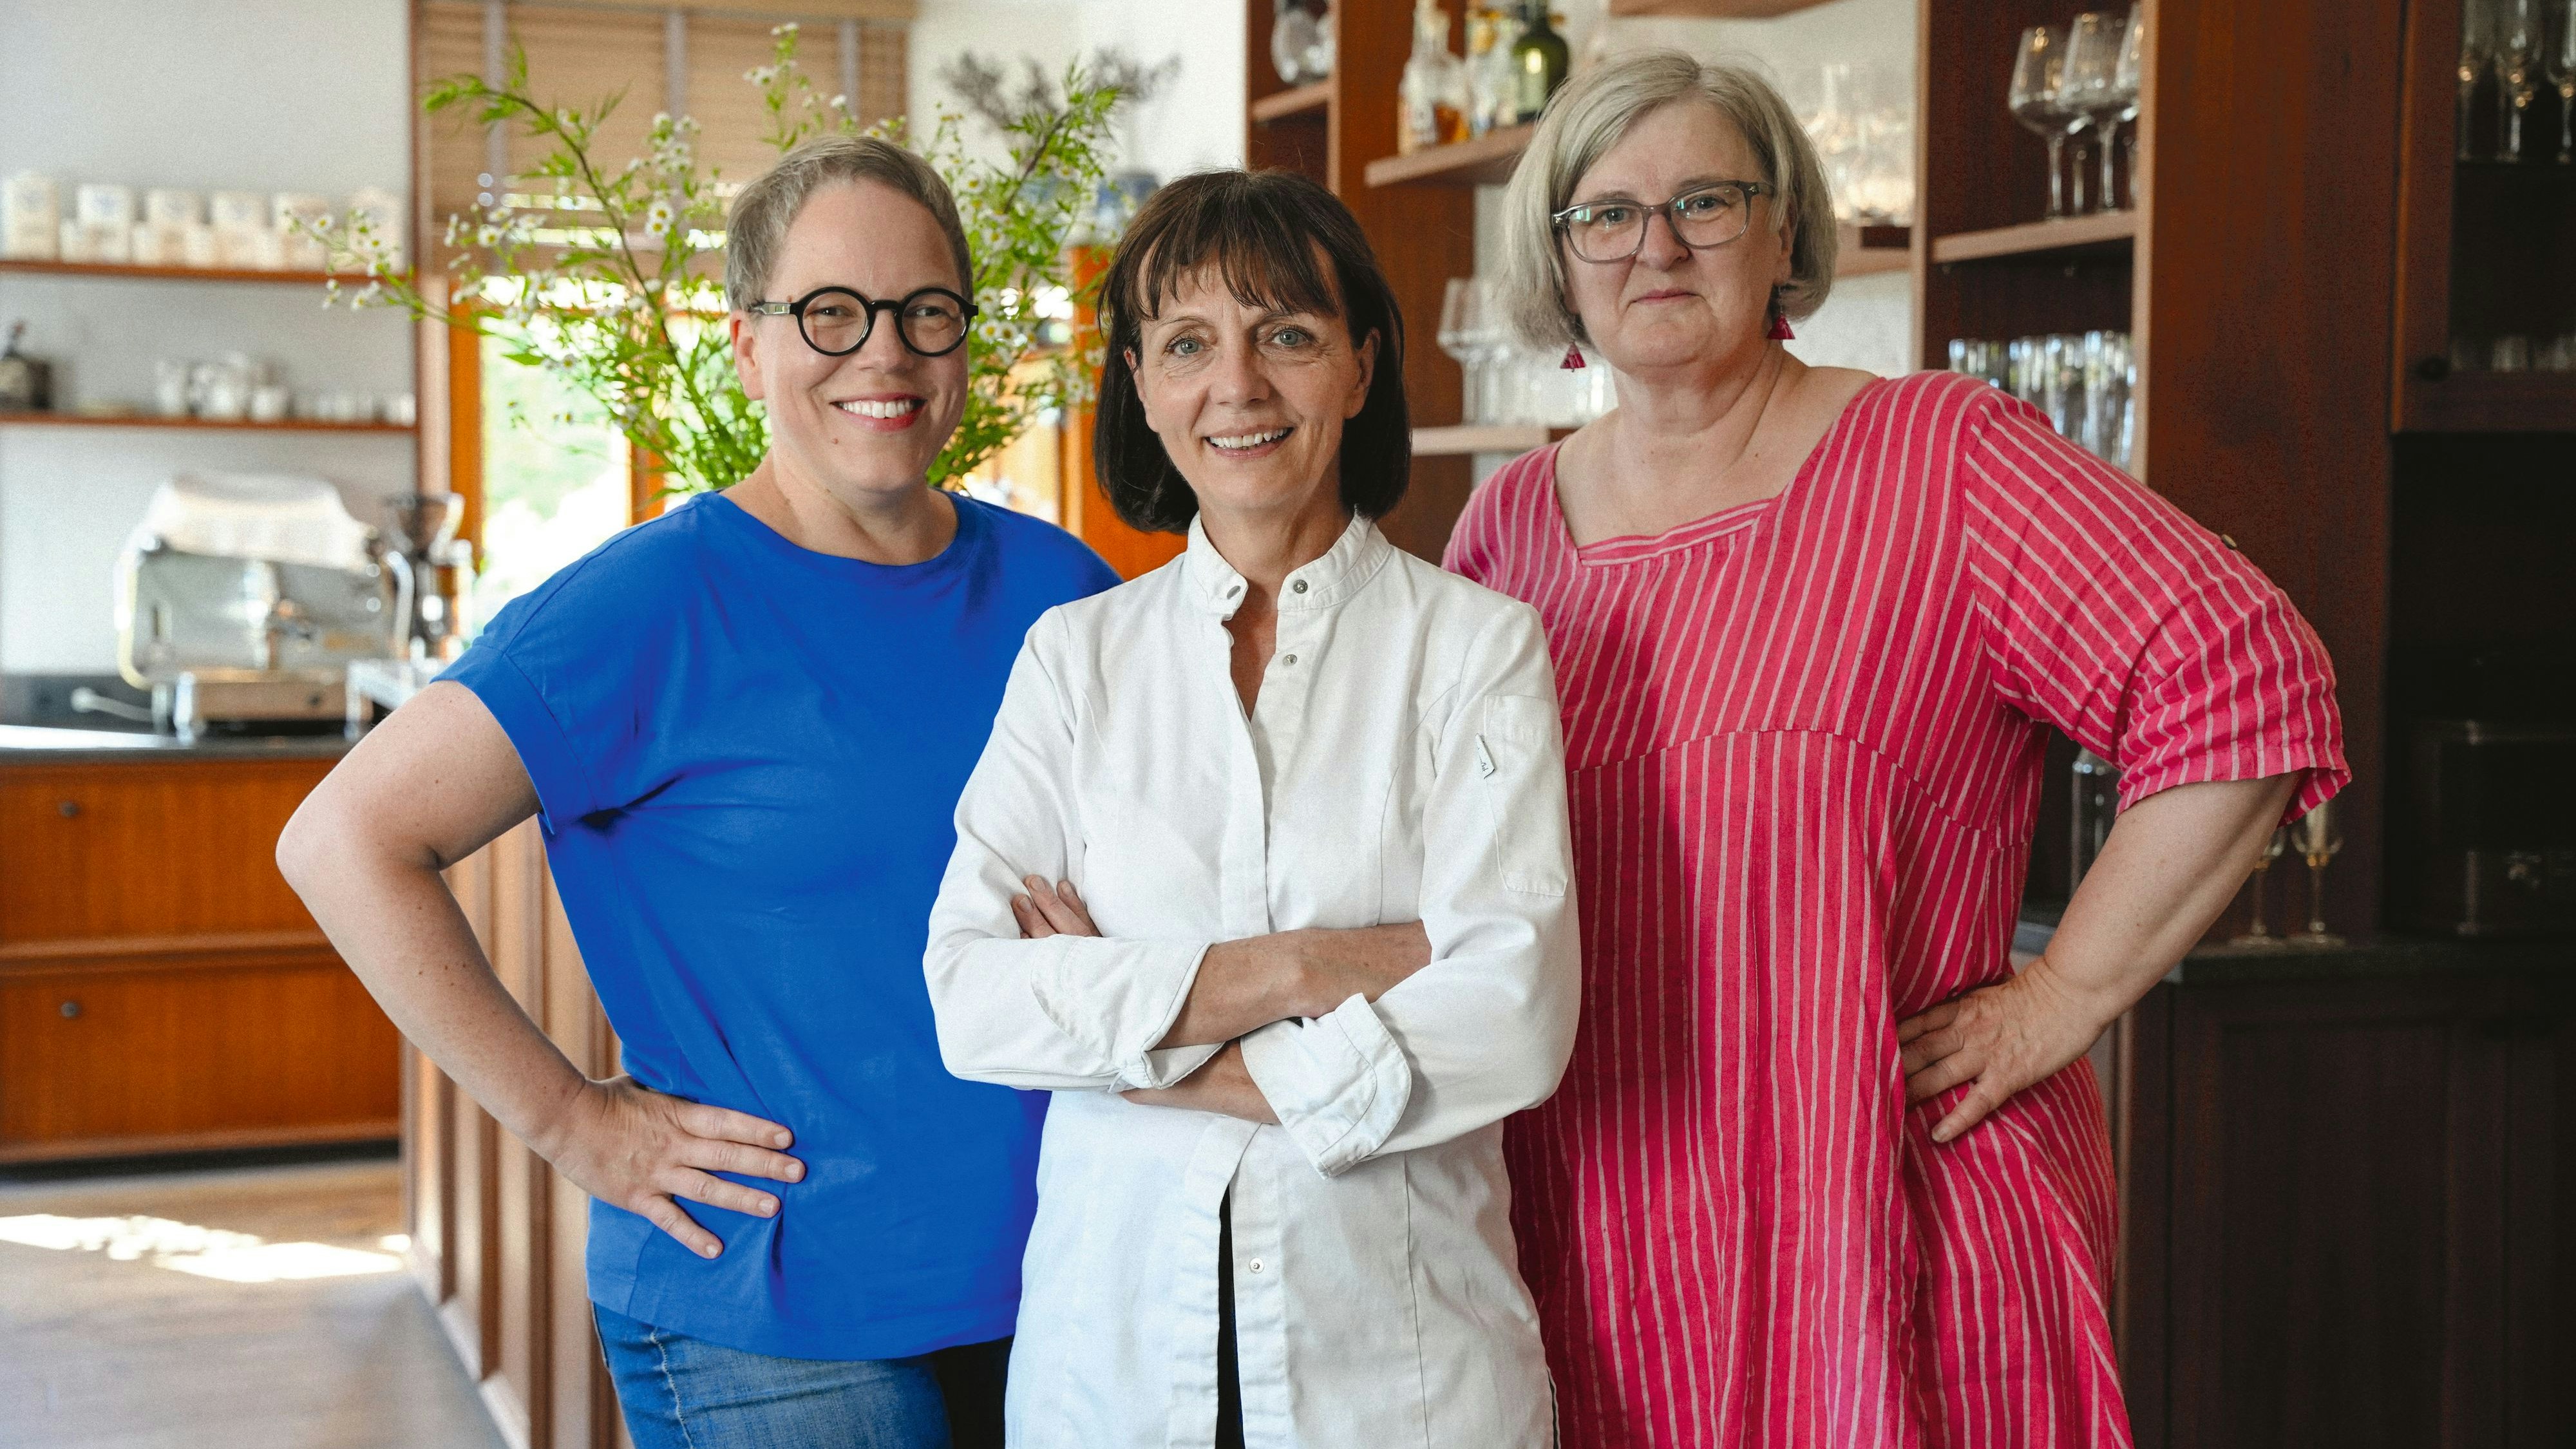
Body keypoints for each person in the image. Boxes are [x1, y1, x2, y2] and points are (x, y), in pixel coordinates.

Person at [1445, 51, 2349, 1447]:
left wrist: (2065, 995)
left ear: (1785, 232)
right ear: (1559, 266)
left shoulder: (1944, 464)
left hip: (1886, 1227)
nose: (1656, 245)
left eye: (1705, 199)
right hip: (1596, 1238)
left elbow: (2241, 674)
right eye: (1605, 215)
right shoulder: (1501, 533)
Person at [277, 135, 1119, 1448]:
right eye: (828, 316)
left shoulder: (1061, 589)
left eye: (924, 312)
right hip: (770, 1311)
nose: (882, 356)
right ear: (744, 343)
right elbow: (342, 838)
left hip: (1068, 1272)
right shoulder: (650, 604)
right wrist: (568, 1122)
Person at [920, 169, 1581, 1448]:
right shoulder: (1074, 658)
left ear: (1359, 365)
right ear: (1141, 386)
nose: (1238, 385)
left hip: (1402, 1373)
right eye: (1185, 345)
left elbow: (1512, 1012)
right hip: (1110, 1371)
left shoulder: (1475, 650)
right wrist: (1316, 966)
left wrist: (1140, 1038)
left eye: (1286, 333)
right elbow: (972, 995)